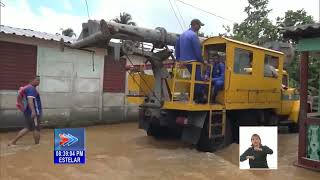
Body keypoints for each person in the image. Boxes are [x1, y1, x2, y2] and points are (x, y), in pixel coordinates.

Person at [175, 19, 206, 103]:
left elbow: (177, 48)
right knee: (198, 79)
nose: (200, 28)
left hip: (183, 62)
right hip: (193, 62)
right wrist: (202, 61)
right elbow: (197, 51)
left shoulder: (182, 35)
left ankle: (191, 96)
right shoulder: (193, 36)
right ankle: (199, 97)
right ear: (195, 25)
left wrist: (178, 60)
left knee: (191, 79)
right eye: (199, 26)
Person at [8, 76, 42, 146]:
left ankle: (13, 142)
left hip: (27, 112)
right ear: (31, 80)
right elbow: (30, 100)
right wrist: (33, 111)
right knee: (36, 128)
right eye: (37, 80)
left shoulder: (27, 88)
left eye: (39, 80)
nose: (39, 82)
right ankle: (37, 145)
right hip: (34, 112)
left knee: (28, 128)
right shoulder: (31, 88)